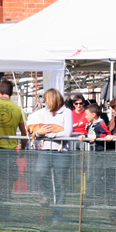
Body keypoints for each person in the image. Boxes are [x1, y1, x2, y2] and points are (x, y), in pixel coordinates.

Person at [0, 79, 27, 218]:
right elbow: (24, 133)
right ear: (11, 92)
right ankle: (5, 210)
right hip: (9, 151)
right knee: (7, 182)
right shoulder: (18, 110)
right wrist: (22, 149)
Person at [33, 88, 73, 224]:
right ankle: (47, 194)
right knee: (40, 171)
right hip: (46, 150)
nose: (45, 103)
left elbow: (67, 133)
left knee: (60, 183)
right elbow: (39, 131)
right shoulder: (44, 113)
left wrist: (49, 134)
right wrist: (40, 133)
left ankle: (58, 215)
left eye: (46, 100)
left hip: (62, 151)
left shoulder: (67, 112)